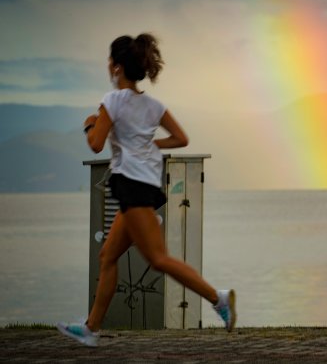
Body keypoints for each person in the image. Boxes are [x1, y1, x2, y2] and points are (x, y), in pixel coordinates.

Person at [57, 33, 236, 347]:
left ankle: (217, 298)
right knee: (107, 256)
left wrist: (90, 123)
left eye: (110, 61)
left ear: (116, 66)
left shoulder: (111, 102)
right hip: (144, 184)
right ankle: (91, 328)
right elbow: (182, 139)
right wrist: (151, 144)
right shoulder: (154, 106)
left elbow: (96, 145)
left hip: (132, 186)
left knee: (158, 259)